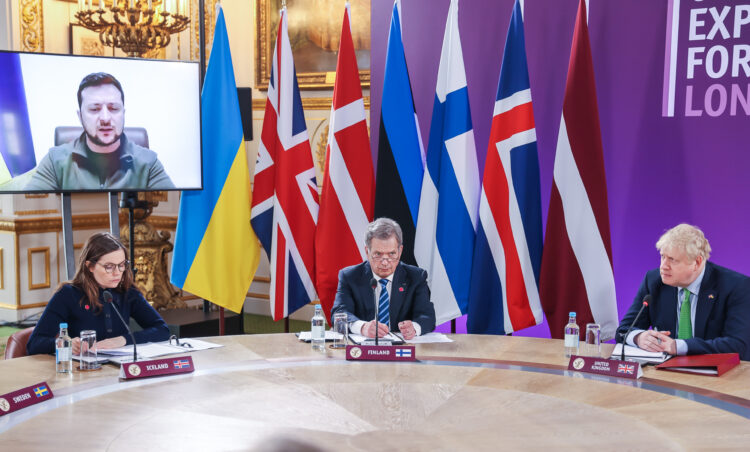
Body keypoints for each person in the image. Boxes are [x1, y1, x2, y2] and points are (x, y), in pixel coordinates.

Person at [616, 224, 750, 360]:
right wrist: (639, 337)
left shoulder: (736, 286)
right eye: (663, 257)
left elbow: (737, 345)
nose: (663, 266)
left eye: (672, 260)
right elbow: (623, 330)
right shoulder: (654, 281)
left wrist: (678, 346)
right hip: (668, 374)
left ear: (697, 262)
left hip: (721, 375)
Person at [24, 72, 174, 190]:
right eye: (95, 109)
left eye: (113, 108)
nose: (105, 118)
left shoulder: (148, 162)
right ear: (80, 116)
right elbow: (27, 203)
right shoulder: (55, 161)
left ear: (123, 113)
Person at [26, 232, 170, 355]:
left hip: (117, 369)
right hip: (82, 371)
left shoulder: (127, 291)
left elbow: (162, 330)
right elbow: (35, 343)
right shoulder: (68, 294)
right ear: (90, 266)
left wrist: (123, 339)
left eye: (121, 265)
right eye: (109, 267)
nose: (117, 273)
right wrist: (67, 344)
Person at [331, 218, 436, 340]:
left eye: (391, 254)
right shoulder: (350, 276)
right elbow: (339, 315)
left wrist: (414, 327)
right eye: (378, 254)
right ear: (367, 251)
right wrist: (363, 327)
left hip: (402, 352)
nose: (385, 262)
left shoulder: (416, 277)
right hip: (363, 351)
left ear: (400, 251)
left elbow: (427, 316)